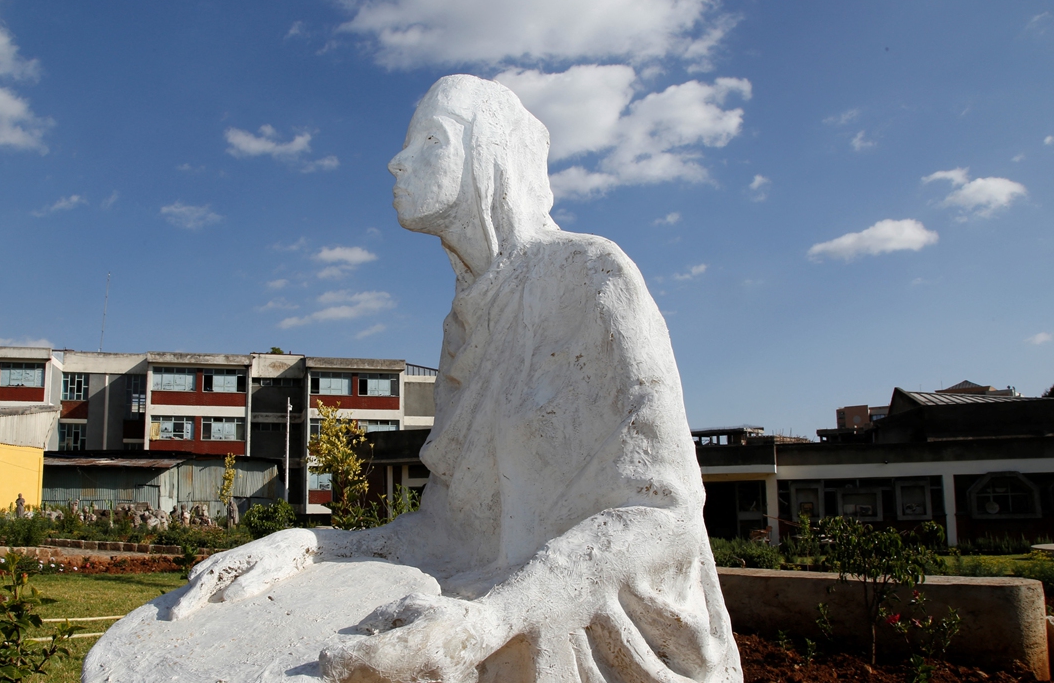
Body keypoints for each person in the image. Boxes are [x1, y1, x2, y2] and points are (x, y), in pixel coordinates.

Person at [170, 75, 740, 683]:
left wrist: (490, 621)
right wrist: (312, 546)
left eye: (431, 140)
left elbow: (665, 517)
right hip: (482, 607)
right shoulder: (465, 324)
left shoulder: (592, 276)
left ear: (485, 160)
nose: (396, 161)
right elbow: (449, 532)